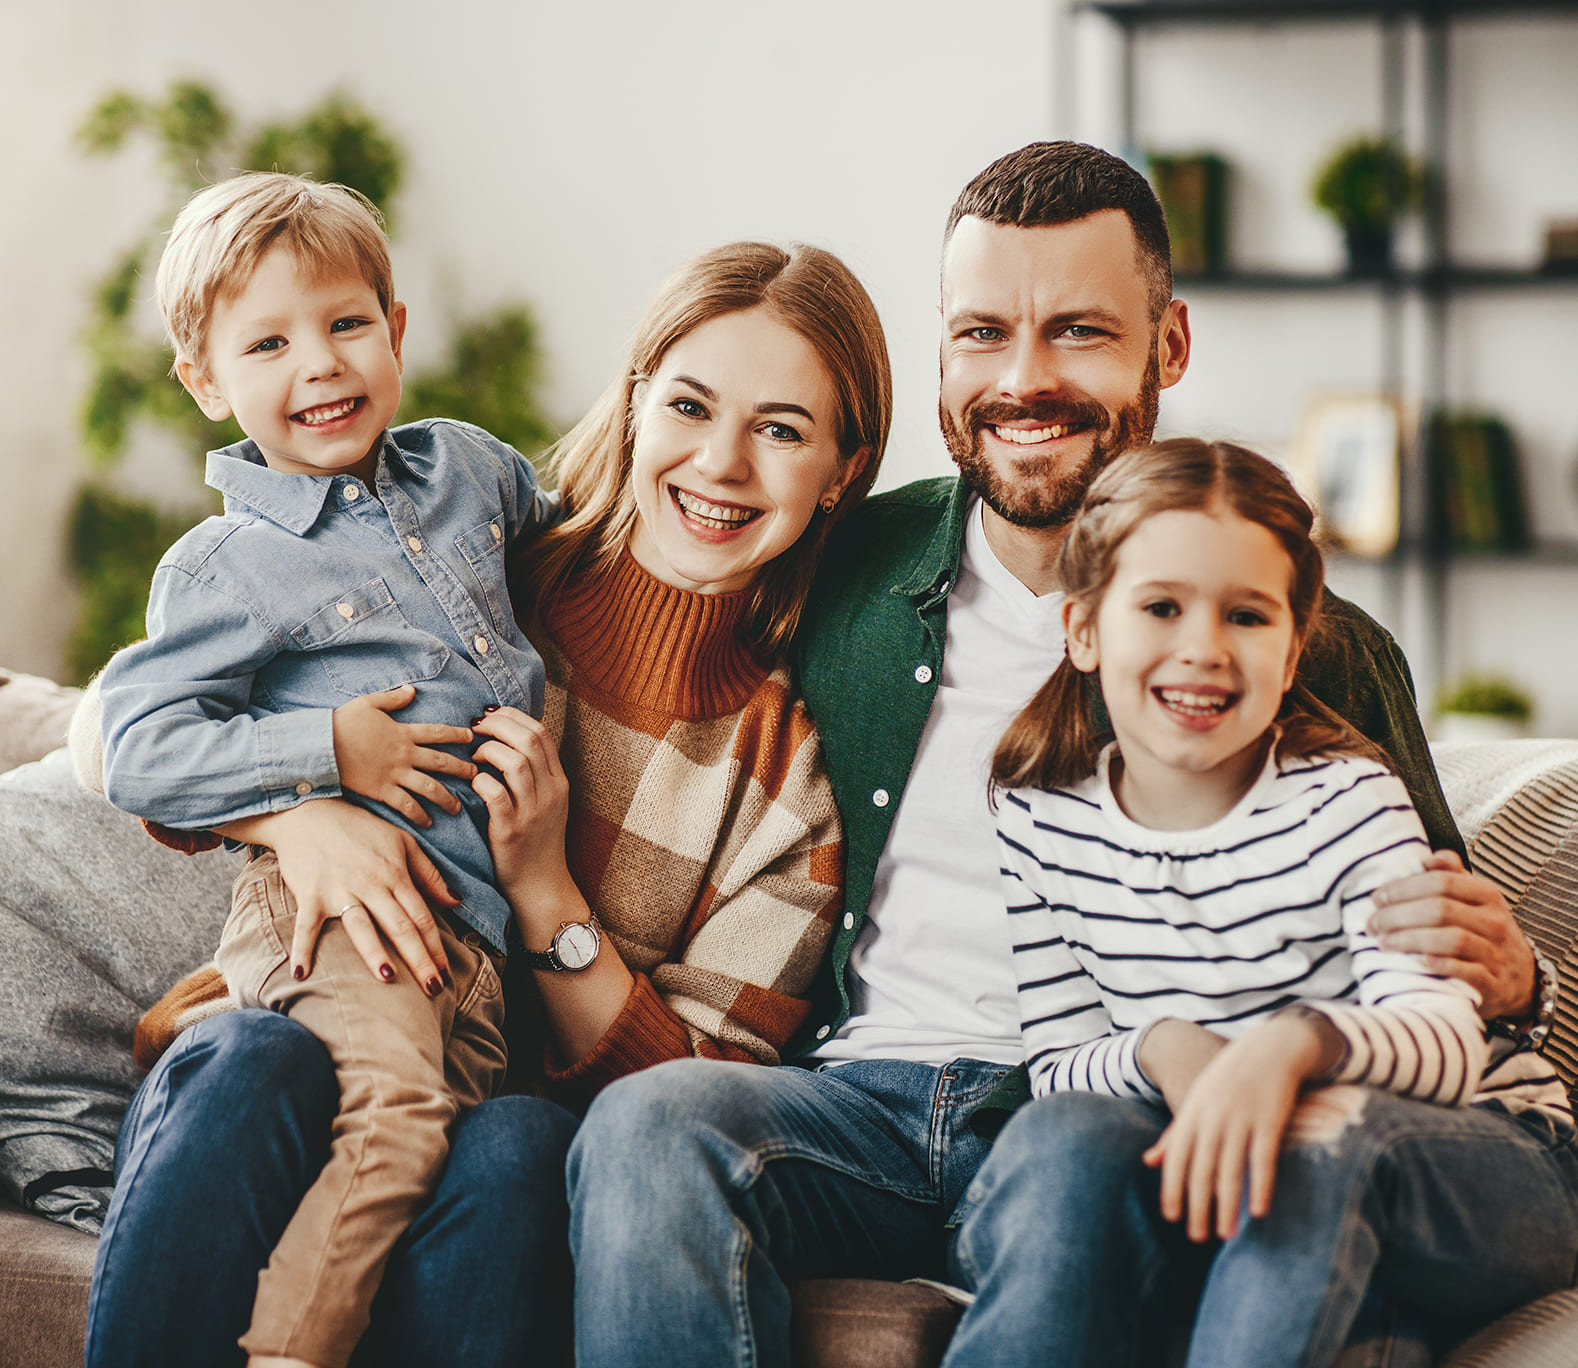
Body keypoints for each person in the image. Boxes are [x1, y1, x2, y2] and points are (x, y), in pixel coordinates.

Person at [563, 141, 1555, 1367]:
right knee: (655, 1125)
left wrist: (1514, 977)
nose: (1023, 380)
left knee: (1066, 1151)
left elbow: (1444, 954)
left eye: (1079, 332)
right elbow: (612, 566)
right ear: (941, 354)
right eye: (981, 332)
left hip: (1096, 1105)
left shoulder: (1298, 638)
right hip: (859, 1100)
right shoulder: (839, 561)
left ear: (1169, 347)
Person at [82, 237, 890, 1367]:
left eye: (783, 430)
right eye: (691, 406)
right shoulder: (474, 561)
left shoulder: (782, 786)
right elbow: (123, 733)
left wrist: (545, 888)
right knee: (251, 1060)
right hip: (305, 1028)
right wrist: (301, 815)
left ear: (841, 473)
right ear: (635, 400)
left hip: (487, 1112)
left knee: (517, 1146)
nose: (721, 464)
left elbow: (699, 1116)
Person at [97, 170, 558, 1368]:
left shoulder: (472, 469)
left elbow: (590, 545)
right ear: (205, 381)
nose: (321, 365)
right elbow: (138, 745)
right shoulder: (225, 565)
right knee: (394, 1127)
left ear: (397, 331)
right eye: (268, 342)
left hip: (473, 947)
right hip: (341, 922)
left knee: (441, 1160)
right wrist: (324, 757)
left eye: (348, 323)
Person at [991, 438, 1575, 1368]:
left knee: (1316, 1142)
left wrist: (1290, 1047)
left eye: (1248, 616)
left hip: (1491, 1161)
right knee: (1066, 1143)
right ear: (1084, 629)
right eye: (1162, 606)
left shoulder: (1349, 798)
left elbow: (1449, 1039)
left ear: (1297, 644)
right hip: (1263, 1172)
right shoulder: (1040, 817)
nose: (1204, 648)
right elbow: (1057, 1065)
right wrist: (1165, 1048)